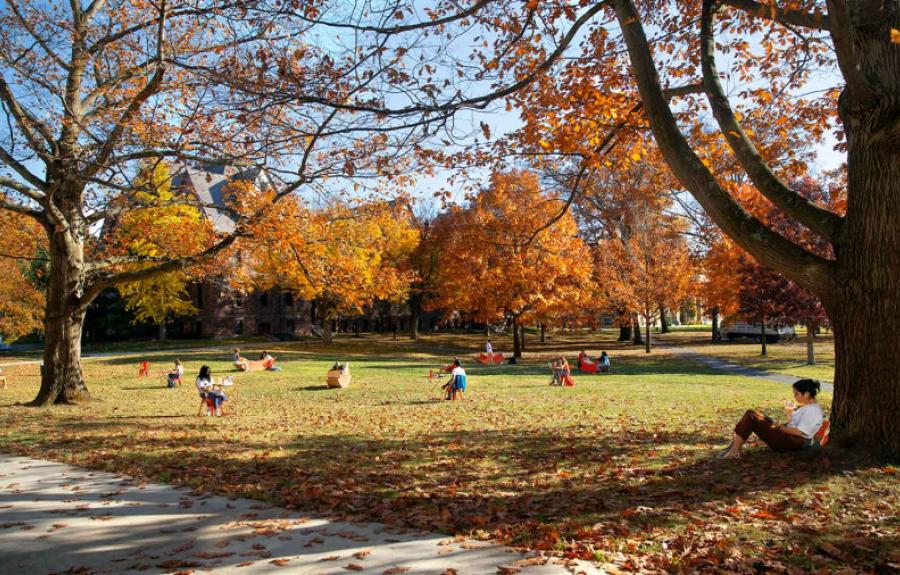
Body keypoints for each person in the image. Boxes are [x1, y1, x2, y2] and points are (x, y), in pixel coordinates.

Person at [717, 379, 825, 458]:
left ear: (806, 394)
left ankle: (734, 450)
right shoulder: (807, 408)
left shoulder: (813, 410)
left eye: (796, 394)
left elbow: (798, 432)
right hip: (789, 438)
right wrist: (789, 413)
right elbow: (793, 425)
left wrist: (780, 427)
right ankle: (734, 447)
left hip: (793, 442)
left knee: (751, 416)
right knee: (754, 414)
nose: (794, 396)